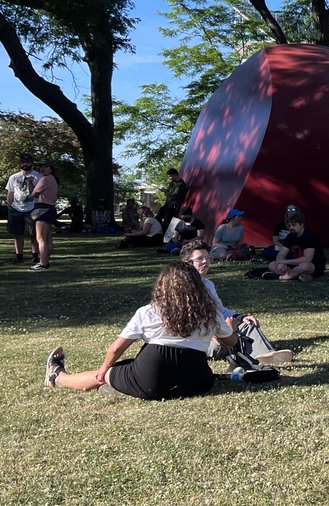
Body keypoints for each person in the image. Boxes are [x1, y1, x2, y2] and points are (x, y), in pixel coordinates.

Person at [43, 261, 239, 399]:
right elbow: (231, 342)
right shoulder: (210, 313)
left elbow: (115, 348)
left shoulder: (149, 312)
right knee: (128, 367)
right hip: (196, 382)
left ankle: (58, 377)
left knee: (110, 374)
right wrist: (231, 329)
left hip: (151, 379)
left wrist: (103, 370)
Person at [179, 239, 293, 367]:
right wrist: (212, 334)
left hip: (217, 331)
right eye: (200, 259)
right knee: (223, 341)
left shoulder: (208, 284)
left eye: (207, 257)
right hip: (200, 341)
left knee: (248, 324)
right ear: (188, 263)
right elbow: (183, 322)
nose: (206, 262)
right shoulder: (181, 288)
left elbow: (220, 309)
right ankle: (244, 353)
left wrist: (240, 317)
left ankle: (268, 355)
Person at [264, 210, 325, 281]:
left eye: (294, 225)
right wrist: (280, 262)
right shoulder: (290, 236)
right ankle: (298, 276)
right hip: (294, 266)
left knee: (304, 266)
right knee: (271, 264)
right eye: (289, 225)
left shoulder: (309, 236)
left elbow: (307, 259)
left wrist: (286, 262)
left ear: (301, 224)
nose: (291, 228)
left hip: (313, 266)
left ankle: (282, 277)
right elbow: (282, 253)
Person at [5, 154, 41, 265]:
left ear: (32, 163)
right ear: (20, 164)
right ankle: (19, 256)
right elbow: (10, 192)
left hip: (32, 208)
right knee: (17, 234)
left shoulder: (38, 176)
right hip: (16, 208)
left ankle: (35, 256)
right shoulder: (14, 177)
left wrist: (30, 182)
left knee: (34, 234)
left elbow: (36, 193)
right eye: (23, 162)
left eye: (27, 162)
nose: (25, 164)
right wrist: (10, 205)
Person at [29, 162, 59, 271]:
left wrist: (30, 183)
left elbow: (33, 193)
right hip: (50, 209)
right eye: (41, 167)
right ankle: (46, 261)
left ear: (51, 169)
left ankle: (42, 263)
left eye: (46, 166)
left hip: (43, 209)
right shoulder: (53, 179)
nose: (42, 168)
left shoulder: (45, 179)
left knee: (40, 238)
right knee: (47, 238)